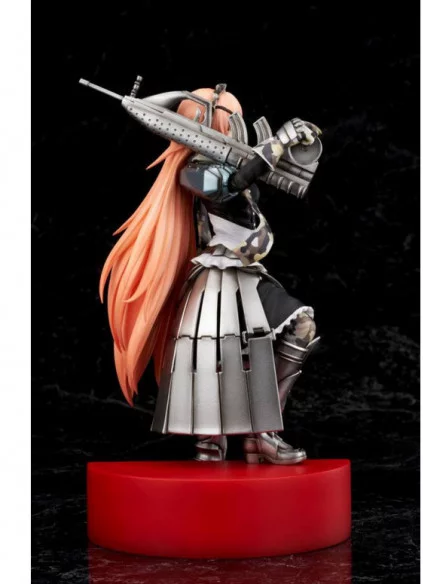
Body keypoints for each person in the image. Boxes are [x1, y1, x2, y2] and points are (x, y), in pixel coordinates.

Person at [100, 86, 319, 464]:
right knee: (214, 356)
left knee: (301, 327)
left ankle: (263, 434)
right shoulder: (193, 173)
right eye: (227, 120)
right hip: (216, 281)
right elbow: (229, 187)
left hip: (247, 273)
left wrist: (298, 144)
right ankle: (210, 442)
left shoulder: (237, 163)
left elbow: (253, 178)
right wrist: (276, 144)